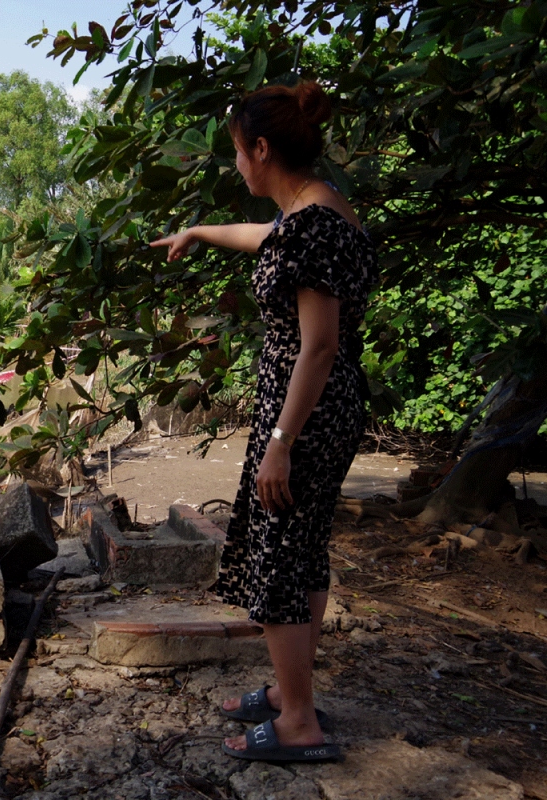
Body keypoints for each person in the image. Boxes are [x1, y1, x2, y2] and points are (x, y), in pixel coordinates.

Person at [150, 81, 377, 763]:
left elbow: (320, 344)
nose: (236, 167)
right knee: (301, 550)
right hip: (320, 409)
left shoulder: (311, 228)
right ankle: (290, 694)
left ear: (262, 148)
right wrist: (196, 231)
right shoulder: (320, 213)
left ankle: (299, 724)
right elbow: (262, 239)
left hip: (305, 415)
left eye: (237, 155)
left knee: (280, 554)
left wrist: (280, 443)